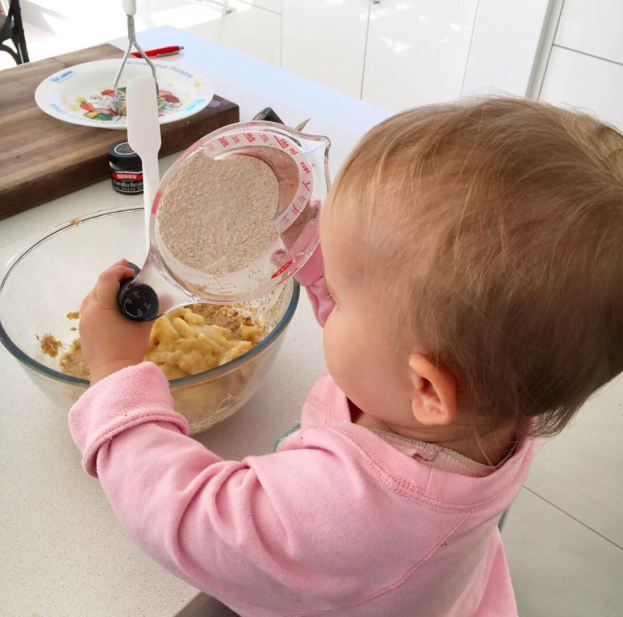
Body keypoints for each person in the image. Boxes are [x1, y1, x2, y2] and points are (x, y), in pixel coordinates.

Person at [69, 98, 623, 616]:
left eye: (341, 285)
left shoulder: (351, 514)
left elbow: (188, 517)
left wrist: (114, 376)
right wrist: (304, 231)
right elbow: (393, 301)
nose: (326, 284)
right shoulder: (497, 389)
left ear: (428, 388)